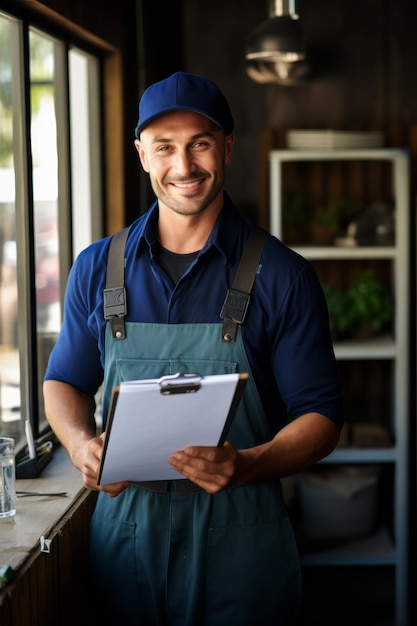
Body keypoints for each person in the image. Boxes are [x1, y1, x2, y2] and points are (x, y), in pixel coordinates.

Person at [43, 71, 343, 626]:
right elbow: (62, 381)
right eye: (165, 147)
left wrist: (248, 464)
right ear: (141, 155)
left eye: (200, 143)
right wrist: (83, 444)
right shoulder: (96, 269)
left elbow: (322, 418)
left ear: (227, 146)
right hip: (125, 544)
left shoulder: (284, 276)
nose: (184, 166)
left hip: (241, 547)